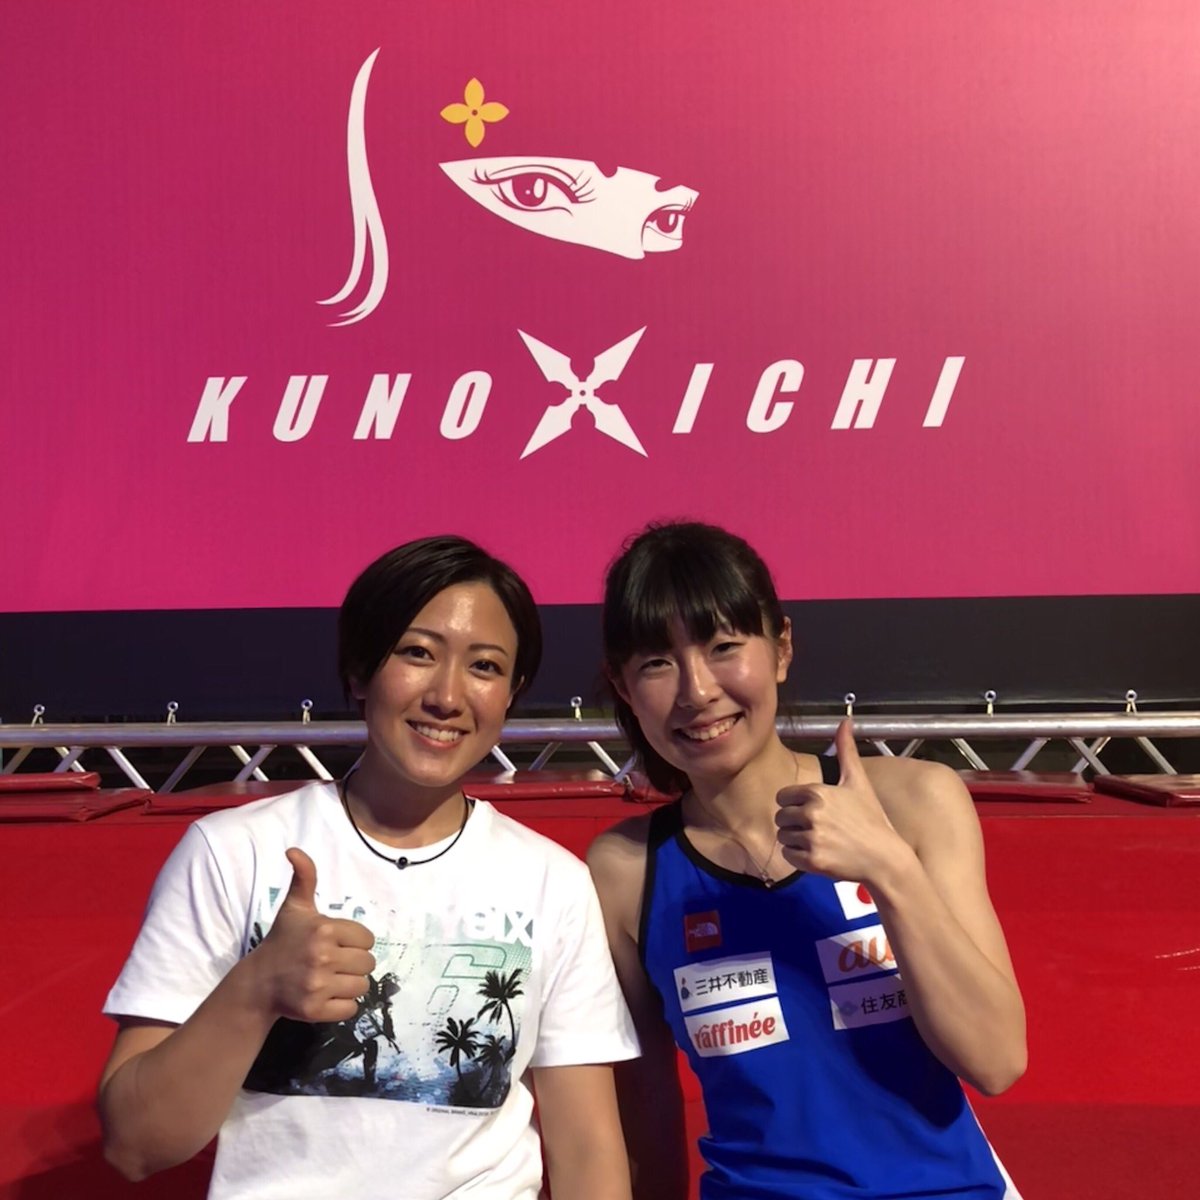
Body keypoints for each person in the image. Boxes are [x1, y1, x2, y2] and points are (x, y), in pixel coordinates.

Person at [99, 535, 638, 1200]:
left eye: (485, 666)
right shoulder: (232, 852)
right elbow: (134, 1144)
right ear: (358, 672)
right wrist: (256, 988)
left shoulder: (553, 882)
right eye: (417, 653)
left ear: (511, 694)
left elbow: (587, 1151)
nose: (447, 696)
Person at [587, 521, 1026, 1200]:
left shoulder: (914, 801)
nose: (697, 691)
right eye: (657, 663)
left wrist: (889, 869)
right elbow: (643, 1109)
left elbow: (996, 1060)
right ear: (622, 684)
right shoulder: (623, 872)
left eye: (724, 647)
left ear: (782, 647)